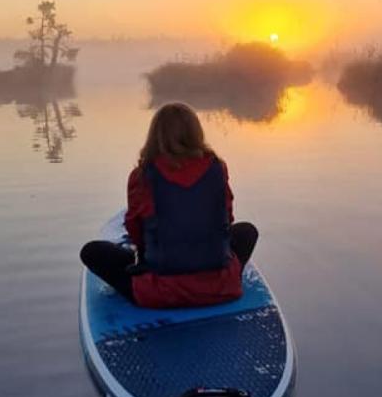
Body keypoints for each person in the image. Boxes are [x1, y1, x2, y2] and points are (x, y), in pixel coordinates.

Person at [80, 102, 258, 308]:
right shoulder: (218, 168)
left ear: (155, 136)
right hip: (221, 287)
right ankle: (215, 279)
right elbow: (226, 219)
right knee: (247, 232)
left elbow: (136, 231)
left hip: (159, 291)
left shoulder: (141, 176)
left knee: (91, 252)